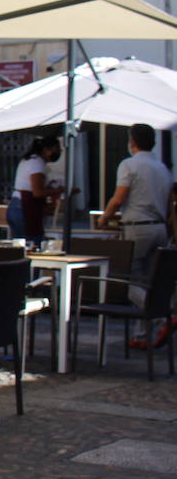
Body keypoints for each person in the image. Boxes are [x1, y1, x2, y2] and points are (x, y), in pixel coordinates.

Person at [97, 123, 175, 346]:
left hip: (137, 227)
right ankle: (141, 335)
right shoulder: (163, 168)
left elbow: (119, 197)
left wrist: (105, 217)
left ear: (132, 141)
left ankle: (163, 316)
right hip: (160, 227)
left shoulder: (129, 165)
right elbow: (170, 205)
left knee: (123, 279)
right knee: (147, 281)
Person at [7, 136, 61, 247]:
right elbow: (37, 192)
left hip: (16, 205)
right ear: (46, 150)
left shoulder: (29, 160)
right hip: (24, 207)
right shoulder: (37, 163)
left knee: (19, 247)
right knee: (31, 245)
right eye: (57, 148)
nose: (59, 152)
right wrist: (59, 190)